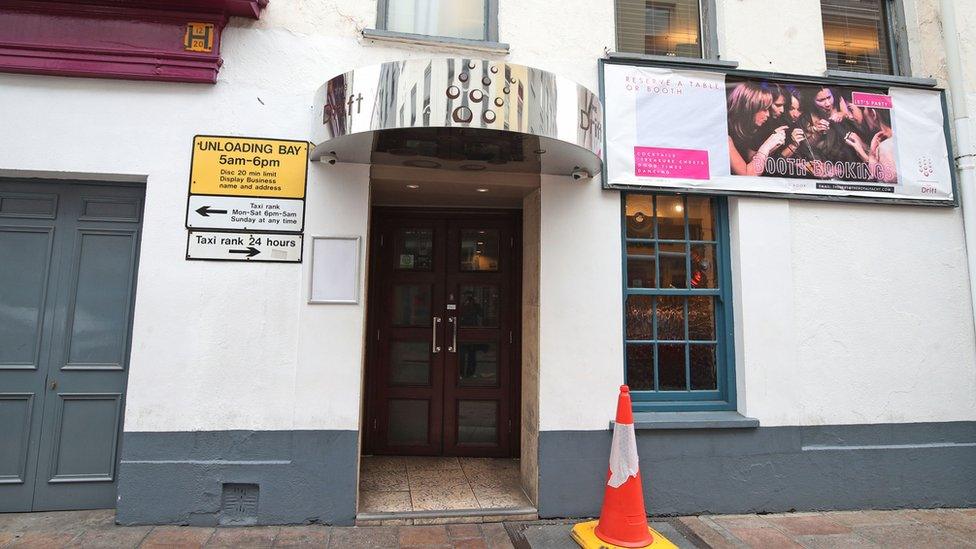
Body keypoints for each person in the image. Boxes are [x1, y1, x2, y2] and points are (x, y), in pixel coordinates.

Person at [797, 86, 860, 177]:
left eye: (829, 97)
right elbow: (806, 147)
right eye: (821, 100)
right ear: (811, 101)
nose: (827, 103)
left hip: (847, 167)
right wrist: (817, 132)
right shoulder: (805, 118)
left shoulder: (839, 107)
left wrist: (842, 115)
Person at [727, 81, 788, 176]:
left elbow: (753, 161)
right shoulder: (726, 137)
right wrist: (767, 145)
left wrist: (772, 145)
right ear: (748, 108)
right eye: (764, 109)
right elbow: (748, 176)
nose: (768, 114)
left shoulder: (745, 133)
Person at [843, 106, 897, 183]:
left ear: (872, 113)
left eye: (851, 110)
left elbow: (884, 187)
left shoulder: (885, 147)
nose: (850, 116)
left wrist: (865, 156)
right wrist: (868, 151)